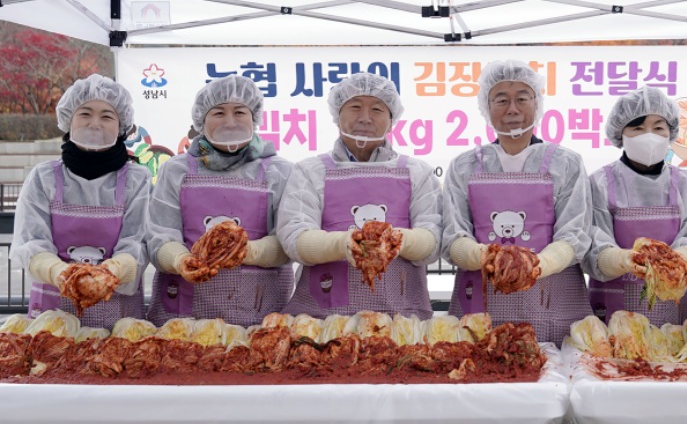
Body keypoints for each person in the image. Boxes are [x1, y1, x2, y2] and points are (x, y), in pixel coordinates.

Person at [442, 59, 593, 344]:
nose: (512, 109)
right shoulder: (464, 166)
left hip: (553, 302)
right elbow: (453, 236)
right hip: (481, 305)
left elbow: (575, 235)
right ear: (487, 108)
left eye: (522, 98)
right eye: (501, 100)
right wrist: (487, 258)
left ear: (538, 104)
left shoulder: (566, 163)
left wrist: (537, 265)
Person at [277, 73, 441, 320]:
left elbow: (432, 240)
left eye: (377, 109)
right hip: (321, 320)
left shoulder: (417, 173)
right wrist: (346, 244)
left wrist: (393, 240)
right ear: (337, 114)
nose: (365, 117)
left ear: (391, 119)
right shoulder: (310, 171)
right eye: (355, 107)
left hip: (402, 321)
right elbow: (295, 239)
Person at [146, 75, 293, 327]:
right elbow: (159, 236)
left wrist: (246, 251)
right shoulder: (177, 170)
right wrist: (180, 260)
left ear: (254, 118)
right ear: (202, 119)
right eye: (218, 113)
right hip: (182, 316)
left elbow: (288, 242)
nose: (230, 121)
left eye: (239, 112)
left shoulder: (279, 171)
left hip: (258, 315)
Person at [12, 74, 149, 329]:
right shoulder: (43, 177)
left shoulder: (137, 179)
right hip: (51, 317)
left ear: (121, 126)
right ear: (68, 121)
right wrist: (60, 273)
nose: (95, 123)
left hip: (118, 318)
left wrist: (110, 273)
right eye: (85, 114)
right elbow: (31, 242)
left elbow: (137, 243)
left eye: (107, 116)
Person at [584, 86, 687, 325]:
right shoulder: (599, 183)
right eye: (638, 128)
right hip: (613, 309)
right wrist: (621, 259)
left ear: (670, 133)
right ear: (621, 133)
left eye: (658, 127)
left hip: (674, 306)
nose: (648, 136)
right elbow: (593, 244)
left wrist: (679, 259)